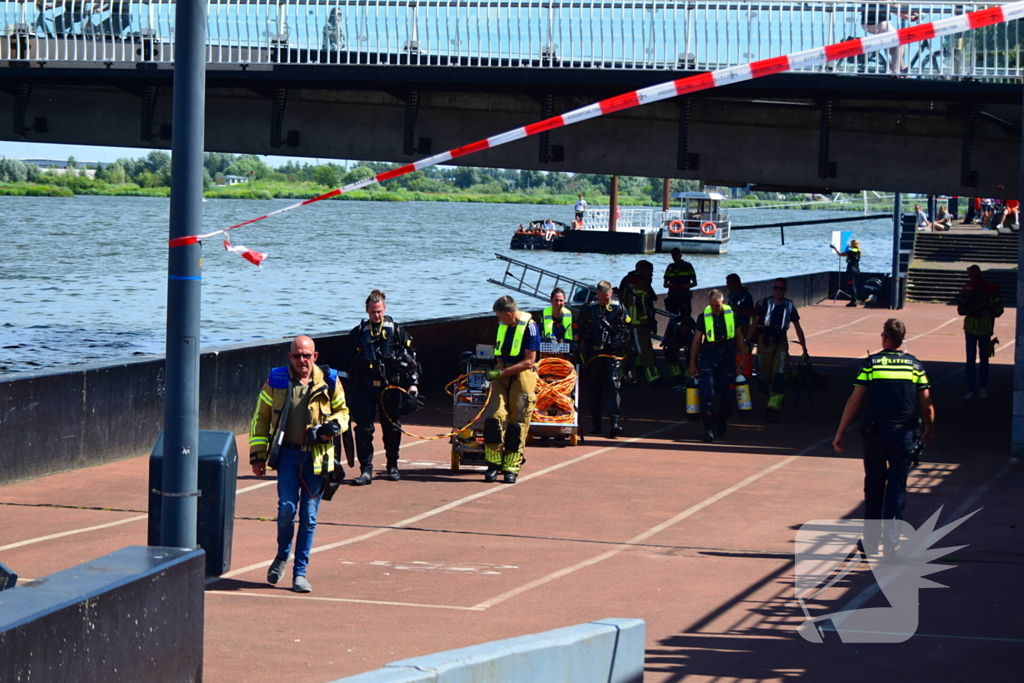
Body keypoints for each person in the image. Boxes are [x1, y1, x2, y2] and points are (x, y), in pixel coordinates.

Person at [250, 335, 350, 594]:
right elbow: (260, 418)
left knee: (309, 516)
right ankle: (283, 555)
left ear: (315, 357)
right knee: (286, 510)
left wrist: (333, 427)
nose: (302, 360)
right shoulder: (277, 380)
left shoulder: (329, 380)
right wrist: (257, 456)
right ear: (289, 357)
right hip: (288, 456)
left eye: (307, 355)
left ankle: (300, 573)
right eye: (297, 355)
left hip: (317, 459)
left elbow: (344, 412)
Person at [832, 318, 934, 556]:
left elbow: (855, 400)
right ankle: (890, 543)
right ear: (902, 339)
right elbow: (926, 403)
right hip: (904, 435)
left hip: (875, 433)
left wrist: (840, 432)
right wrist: (930, 429)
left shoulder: (871, 365)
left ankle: (869, 542)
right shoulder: (915, 366)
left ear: (885, 338)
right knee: (897, 487)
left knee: (874, 485)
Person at [341, 290, 421, 485]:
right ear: (366, 311)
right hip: (364, 388)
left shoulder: (398, 333)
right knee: (363, 429)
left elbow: (413, 363)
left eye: (379, 311)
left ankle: (392, 465)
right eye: (372, 312)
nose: (376, 315)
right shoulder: (358, 334)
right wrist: (342, 391)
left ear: (384, 309)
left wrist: (412, 387)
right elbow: (344, 364)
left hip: (390, 386)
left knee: (392, 427)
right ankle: (366, 469)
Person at [482, 296, 540, 484]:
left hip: (522, 375)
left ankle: (511, 466)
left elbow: (529, 361)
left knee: (518, 422)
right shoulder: (502, 326)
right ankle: (493, 463)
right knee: (494, 417)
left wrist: (503, 373)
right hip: (501, 372)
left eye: (500, 317)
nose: (498, 320)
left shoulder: (530, 327)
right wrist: (495, 371)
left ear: (509, 314)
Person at [689, 290, 748, 443]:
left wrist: (743, 359)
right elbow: (696, 341)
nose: (716, 308)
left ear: (723, 302)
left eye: (719, 305)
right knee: (707, 394)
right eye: (713, 306)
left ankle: (722, 417)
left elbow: (740, 339)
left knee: (727, 396)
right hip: (708, 357)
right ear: (709, 304)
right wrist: (692, 363)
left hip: (727, 357)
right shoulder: (703, 317)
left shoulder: (732, 316)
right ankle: (709, 429)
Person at [748, 278, 809, 423]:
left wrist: (804, 349)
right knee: (764, 378)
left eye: (781, 289)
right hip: (764, 343)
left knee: (779, 375)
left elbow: (798, 328)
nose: (778, 291)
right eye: (776, 288)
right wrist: (747, 342)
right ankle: (769, 402)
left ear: (785, 290)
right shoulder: (763, 304)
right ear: (772, 289)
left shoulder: (789, 306)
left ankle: (773, 409)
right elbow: (755, 323)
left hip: (781, 343)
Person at [576, 281, 632, 437]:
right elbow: (580, 328)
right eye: (601, 298)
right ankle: (596, 425)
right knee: (595, 389)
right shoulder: (589, 307)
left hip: (613, 353)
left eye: (606, 297)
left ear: (611, 293)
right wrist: (577, 349)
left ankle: (614, 423)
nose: (603, 300)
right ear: (597, 294)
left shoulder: (619, 307)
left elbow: (627, 329)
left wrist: (620, 342)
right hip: (593, 354)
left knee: (613, 385)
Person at [957, 265, 1003, 400]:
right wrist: (964, 303)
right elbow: (960, 311)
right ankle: (971, 389)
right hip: (971, 329)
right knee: (970, 360)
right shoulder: (967, 288)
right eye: (970, 275)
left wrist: (988, 311)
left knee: (984, 359)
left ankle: (982, 387)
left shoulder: (990, 289)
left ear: (978, 274)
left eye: (973, 274)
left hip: (984, 328)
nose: (971, 277)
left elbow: (999, 309)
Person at [619, 260, 661, 384]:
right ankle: (653, 378)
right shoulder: (641, 284)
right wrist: (649, 321)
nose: (651, 275)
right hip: (639, 325)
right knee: (646, 351)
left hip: (627, 322)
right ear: (645, 271)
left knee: (629, 351)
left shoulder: (627, 280)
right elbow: (643, 304)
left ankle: (618, 376)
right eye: (650, 272)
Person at [860, 3, 918, 74]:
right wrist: (909, 11)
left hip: (874, 22)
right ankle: (894, 72)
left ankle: (903, 73)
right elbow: (888, 4)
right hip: (878, 22)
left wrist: (907, 16)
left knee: (895, 48)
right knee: (900, 41)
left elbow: (892, 8)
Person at [663, 248, 698, 319]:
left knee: (686, 318)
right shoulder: (670, 267)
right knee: (673, 318)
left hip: (684, 296)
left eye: (676, 256)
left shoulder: (688, 266)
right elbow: (664, 284)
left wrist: (687, 286)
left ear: (680, 255)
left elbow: (695, 283)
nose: (674, 258)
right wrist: (671, 285)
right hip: (673, 297)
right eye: (673, 256)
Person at [831, 238, 863, 306]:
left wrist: (834, 248)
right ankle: (854, 300)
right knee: (854, 285)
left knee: (851, 286)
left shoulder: (850, 252)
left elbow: (840, 254)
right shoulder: (859, 251)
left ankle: (853, 301)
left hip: (851, 270)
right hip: (857, 269)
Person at [725, 273, 754, 341]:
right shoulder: (731, 295)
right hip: (732, 325)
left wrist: (737, 309)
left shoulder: (746, 296)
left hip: (743, 325)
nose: (727, 286)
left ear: (735, 283)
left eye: (729, 283)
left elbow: (751, 312)